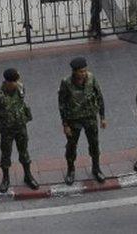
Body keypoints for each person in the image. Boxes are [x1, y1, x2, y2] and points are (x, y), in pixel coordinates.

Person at [0, 68, 38, 193]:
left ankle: (28, 175)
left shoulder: (20, 88)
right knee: (6, 154)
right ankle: (5, 178)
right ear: (8, 82)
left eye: (17, 80)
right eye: (14, 81)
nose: (17, 83)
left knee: (24, 152)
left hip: (21, 127)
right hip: (6, 130)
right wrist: (4, 120)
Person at [58, 57, 106, 185]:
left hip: (90, 117)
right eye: (80, 72)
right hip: (74, 120)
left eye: (85, 71)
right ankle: (71, 170)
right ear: (74, 72)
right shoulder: (66, 83)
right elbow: (62, 104)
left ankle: (96, 168)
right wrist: (65, 124)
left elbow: (99, 96)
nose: (83, 74)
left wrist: (102, 117)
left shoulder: (91, 78)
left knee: (94, 144)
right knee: (72, 146)